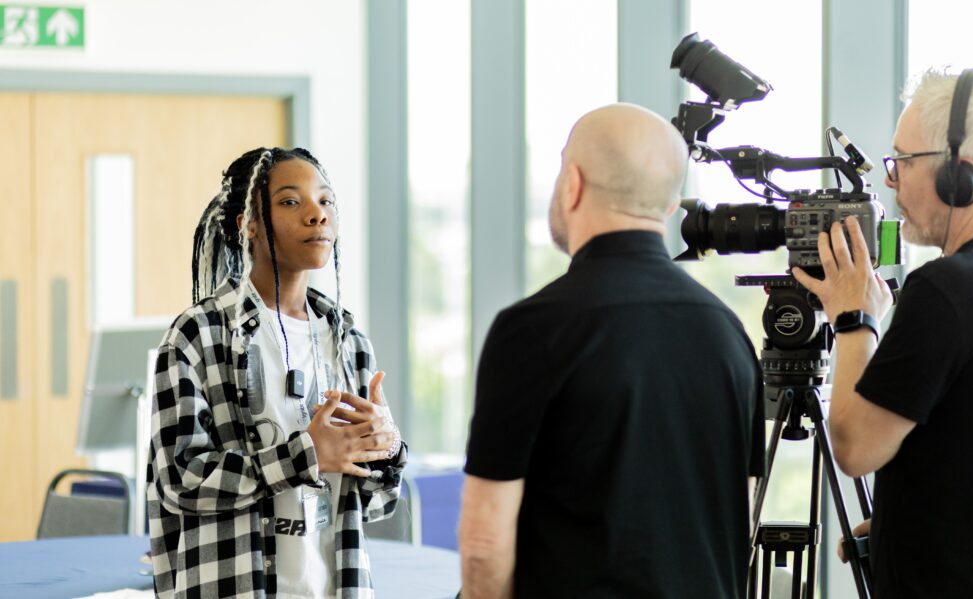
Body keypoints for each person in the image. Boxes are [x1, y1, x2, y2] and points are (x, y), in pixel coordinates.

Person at [458, 103, 764, 598]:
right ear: (668, 206)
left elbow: (484, 543)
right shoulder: (729, 332)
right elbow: (739, 511)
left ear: (572, 184)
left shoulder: (532, 330)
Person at [792, 68, 973, 597]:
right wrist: (913, 516)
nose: (890, 181)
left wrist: (855, 317)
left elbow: (853, 447)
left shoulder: (947, 289)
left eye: (902, 161)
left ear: (960, 175)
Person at [147, 147, 407, 598]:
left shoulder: (348, 341)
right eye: (291, 201)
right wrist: (307, 455)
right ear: (247, 224)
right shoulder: (200, 334)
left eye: (325, 201)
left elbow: (374, 504)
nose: (316, 216)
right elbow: (180, 480)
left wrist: (385, 451)